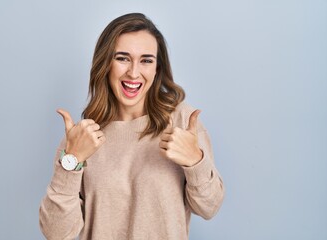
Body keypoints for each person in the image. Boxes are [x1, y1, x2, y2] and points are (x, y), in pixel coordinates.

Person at [39, 13, 224, 240]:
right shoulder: (82, 138)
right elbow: (56, 233)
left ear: (157, 68)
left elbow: (209, 207)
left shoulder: (181, 121)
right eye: (122, 58)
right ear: (105, 63)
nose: (134, 72)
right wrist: (71, 162)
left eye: (146, 60)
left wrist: (196, 161)